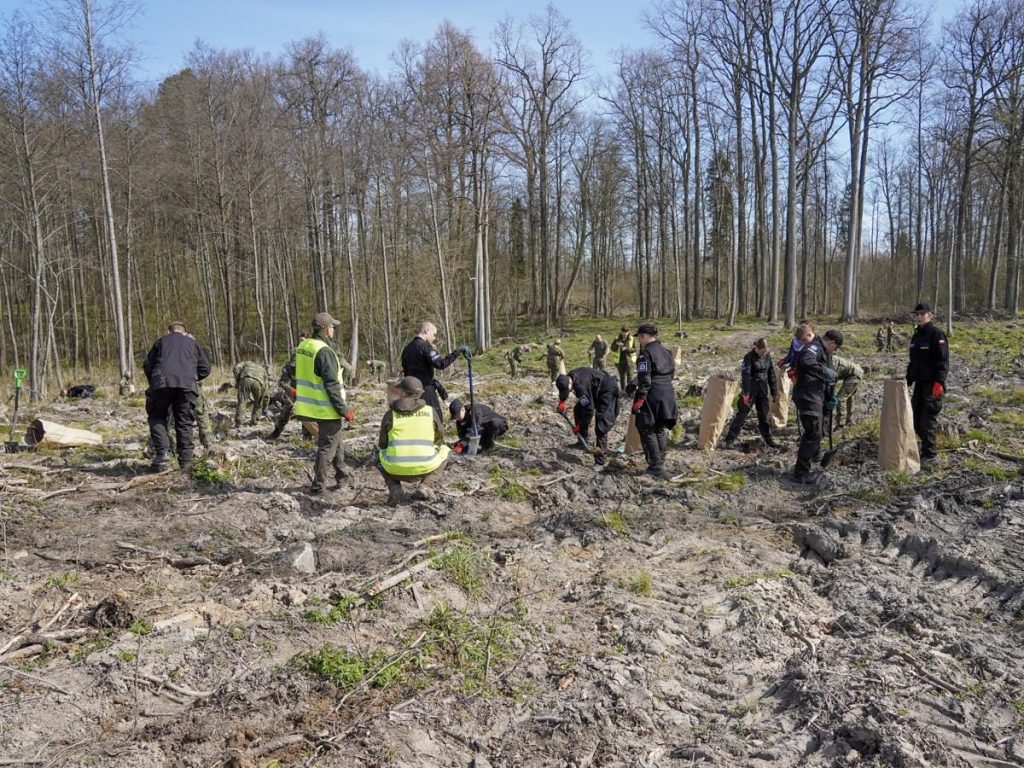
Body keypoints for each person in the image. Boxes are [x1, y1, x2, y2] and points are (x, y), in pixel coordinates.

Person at [293, 312, 353, 495]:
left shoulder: (304, 345)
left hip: (308, 406)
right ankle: (318, 487)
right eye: (332, 327)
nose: (334, 329)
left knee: (336, 441)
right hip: (325, 408)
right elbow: (332, 385)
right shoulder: (324, 351)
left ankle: (343, 477)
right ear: (327, 330)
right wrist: (344, 410)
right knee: (326, 448)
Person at [143, 321, 211, 472]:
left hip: (161, 383)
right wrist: (191, 378)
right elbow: (205, 368)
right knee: (184, 422)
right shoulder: (192, 343)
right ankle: (185, 463)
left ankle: (162, 453)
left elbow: (148, 365)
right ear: (185, 332)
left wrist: (154, 381)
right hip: (187, 386)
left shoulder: (161, 341)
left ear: (168, 332)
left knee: (157, 416)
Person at [378, 376, 450, 506]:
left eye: (399, 390)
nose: (398, 392)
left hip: (395, 469)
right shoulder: (430, 411)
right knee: (445, 450)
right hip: (425, 467)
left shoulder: (390, 415)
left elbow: (382, 444)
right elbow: (440, 438)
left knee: (379, 455)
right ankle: (426, 486)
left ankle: (395, 489)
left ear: (404, 393)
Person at [786, 321, 836, 485]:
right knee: (812, 433)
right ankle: (800, 473)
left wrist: (829, 398)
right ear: (831, 343)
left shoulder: (822, 351)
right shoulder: (813, 348)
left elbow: (825, 380)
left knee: (816, 432)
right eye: (834, 348)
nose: (834, 351)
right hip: (808, 396)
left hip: (815, 396)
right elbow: (807, 361)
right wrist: (824, 370)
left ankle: (813, 457)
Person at [631, 323, 677, 479]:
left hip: (652, 394)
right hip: (667, 393)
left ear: (644, 336)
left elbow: (645, 379)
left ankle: (655, 466)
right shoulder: (667, 352)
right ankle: (660, 460)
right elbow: (671, 373)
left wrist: (640, 398)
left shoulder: (645, 354)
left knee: (646, 428)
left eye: (640, 338)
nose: (640, 341)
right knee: (659, 428)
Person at [907, 303, 948, 464]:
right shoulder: (916, 337)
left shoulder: (936, 335)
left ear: (930, 315)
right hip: (919, 384)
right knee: (915, 418)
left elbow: (943, 361)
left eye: (922, 314)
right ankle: (924, 449)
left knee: (927, 420)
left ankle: (930, 455)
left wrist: (939, 382)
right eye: (917, 314)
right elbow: (913, 362)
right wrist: (907, 380)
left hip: (932, 385)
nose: (919, 317)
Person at [401, 321, 466, 420]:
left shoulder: (406, 349)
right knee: (435, 417)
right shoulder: (425, 347)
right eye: (434, 334)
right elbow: (440, 364)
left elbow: (405, 370)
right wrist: (457, 352)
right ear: (426, 331)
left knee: (415, 417)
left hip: (410, 391)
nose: (434, 338)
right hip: (426, 389)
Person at [556, 368, 620, 468]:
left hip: (607, 390)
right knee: (578, 409)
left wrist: (580, 426)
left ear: (570, 383)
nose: (569, 392)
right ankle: (583, 441)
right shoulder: (570, 377)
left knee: (601, 425)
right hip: (596, 389)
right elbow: (583, 403)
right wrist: (561, 402)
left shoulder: (580, 386)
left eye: (568, 390)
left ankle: (600, 462)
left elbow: (589, 411)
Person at [724, 338, 780, 448]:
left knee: (764, 415)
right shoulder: (748, 357)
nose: (763, 353)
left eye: (765, 351)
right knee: (742, 414)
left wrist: (775, 391)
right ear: (756, 348)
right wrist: (746, 393)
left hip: (763, 389)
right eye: (761, 351)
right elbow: (746, 376)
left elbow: (771, 374)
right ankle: (730, 439)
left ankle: (769, 439)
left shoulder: (767, 357)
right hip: (751, 389)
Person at [820, 330, 863, 429]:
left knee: (840, 399)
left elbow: (831, 380)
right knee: (848, 397)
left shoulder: (832, 361)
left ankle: (841, 424)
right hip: (851, 373)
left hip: (855, 375)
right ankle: (849, 421)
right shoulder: (827, 357)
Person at [233, 361, 269, 428]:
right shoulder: (263, 370)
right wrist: (265, 406)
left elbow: (236, 368)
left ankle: (239, 423)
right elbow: (266, 391)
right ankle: (254, 421)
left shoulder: (246, 363)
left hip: (245, 379)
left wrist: (238, 381)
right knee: (258, 402)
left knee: (242, 401)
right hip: (258, 382)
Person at [610, 325, 636, 391]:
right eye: (623, 332)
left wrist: (627, 349)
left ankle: (630, 392)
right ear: (621, 332)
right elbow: (612, 348)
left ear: (628, 332)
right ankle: (623, 390)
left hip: (629, 362)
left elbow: (635, 349)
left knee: (630, 377)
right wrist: (617, 345)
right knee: (622, 377)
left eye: (626, 332)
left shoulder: (632, 338)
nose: (624, 333)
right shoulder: (617, 338)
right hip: (620, 361)